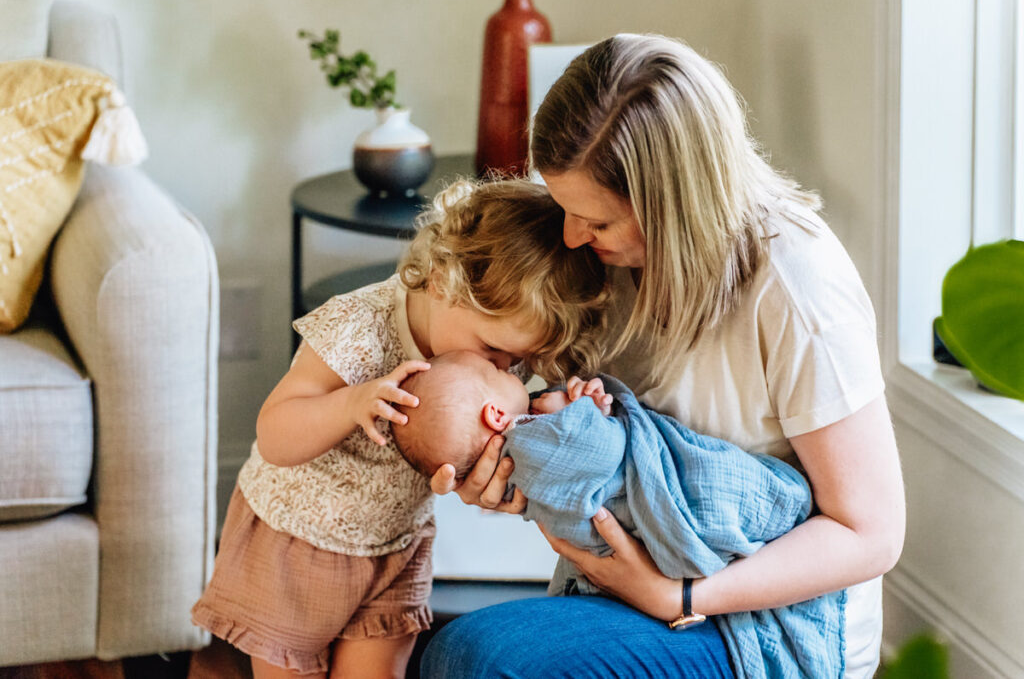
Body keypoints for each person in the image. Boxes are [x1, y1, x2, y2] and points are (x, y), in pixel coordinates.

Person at [424, 34, 905, 678]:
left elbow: (870, 532)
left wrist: (679, 596)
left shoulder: (797, 287)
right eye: (566, 207)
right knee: (461, 652)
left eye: (596, 221)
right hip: (632, 584)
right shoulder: (596, 262)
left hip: (764, 619)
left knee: (489, 662)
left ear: (675, 208)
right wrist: (518, 469)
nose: (572, 235)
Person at [190, 178, 607, 679]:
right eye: (493, 351)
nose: (504, 369)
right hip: (295, 542)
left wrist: (575, 415)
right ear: (442, 280)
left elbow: (521, 432)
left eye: (517, 360)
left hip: (395, 547)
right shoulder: (360, 327)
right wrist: (351, 403)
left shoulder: (500, 361)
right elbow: (274, 434)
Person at [394, 350, 843, 677]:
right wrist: (582, 413)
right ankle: (773, 502)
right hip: (659, 537)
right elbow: (601, 453)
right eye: (494, 369)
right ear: (495, 415)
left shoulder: (531, 438)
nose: (508, 366)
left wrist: (578, 407)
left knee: (477, 658)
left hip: (716, 598)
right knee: (458, 654)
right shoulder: (530, 442)